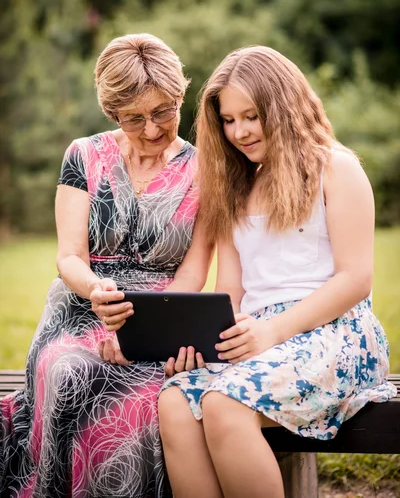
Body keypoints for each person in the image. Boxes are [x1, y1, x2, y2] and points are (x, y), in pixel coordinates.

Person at [158, 45, 397, 498]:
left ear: (283, 105)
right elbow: (229, 291)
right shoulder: (234, 187)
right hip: (257, 339)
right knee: (175, 401)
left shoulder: (336, 168)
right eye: (228, 120)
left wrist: (271, 332)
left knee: (224, 404)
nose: (239, 132)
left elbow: (355, 280)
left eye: (251, 115)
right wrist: (203, 345)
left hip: (334, 333)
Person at [0, 33, 212, 498]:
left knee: (143, 405)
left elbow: (194, 273)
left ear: (181, 97)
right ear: (112, 113)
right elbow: (69, 257)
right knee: (65, 373)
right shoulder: (84, 154)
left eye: (164, 112)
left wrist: (148, 329)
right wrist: (97, 290)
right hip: (82, 306)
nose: (153, 129)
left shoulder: (207, 170)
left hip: (161, 313)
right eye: (135, 118)